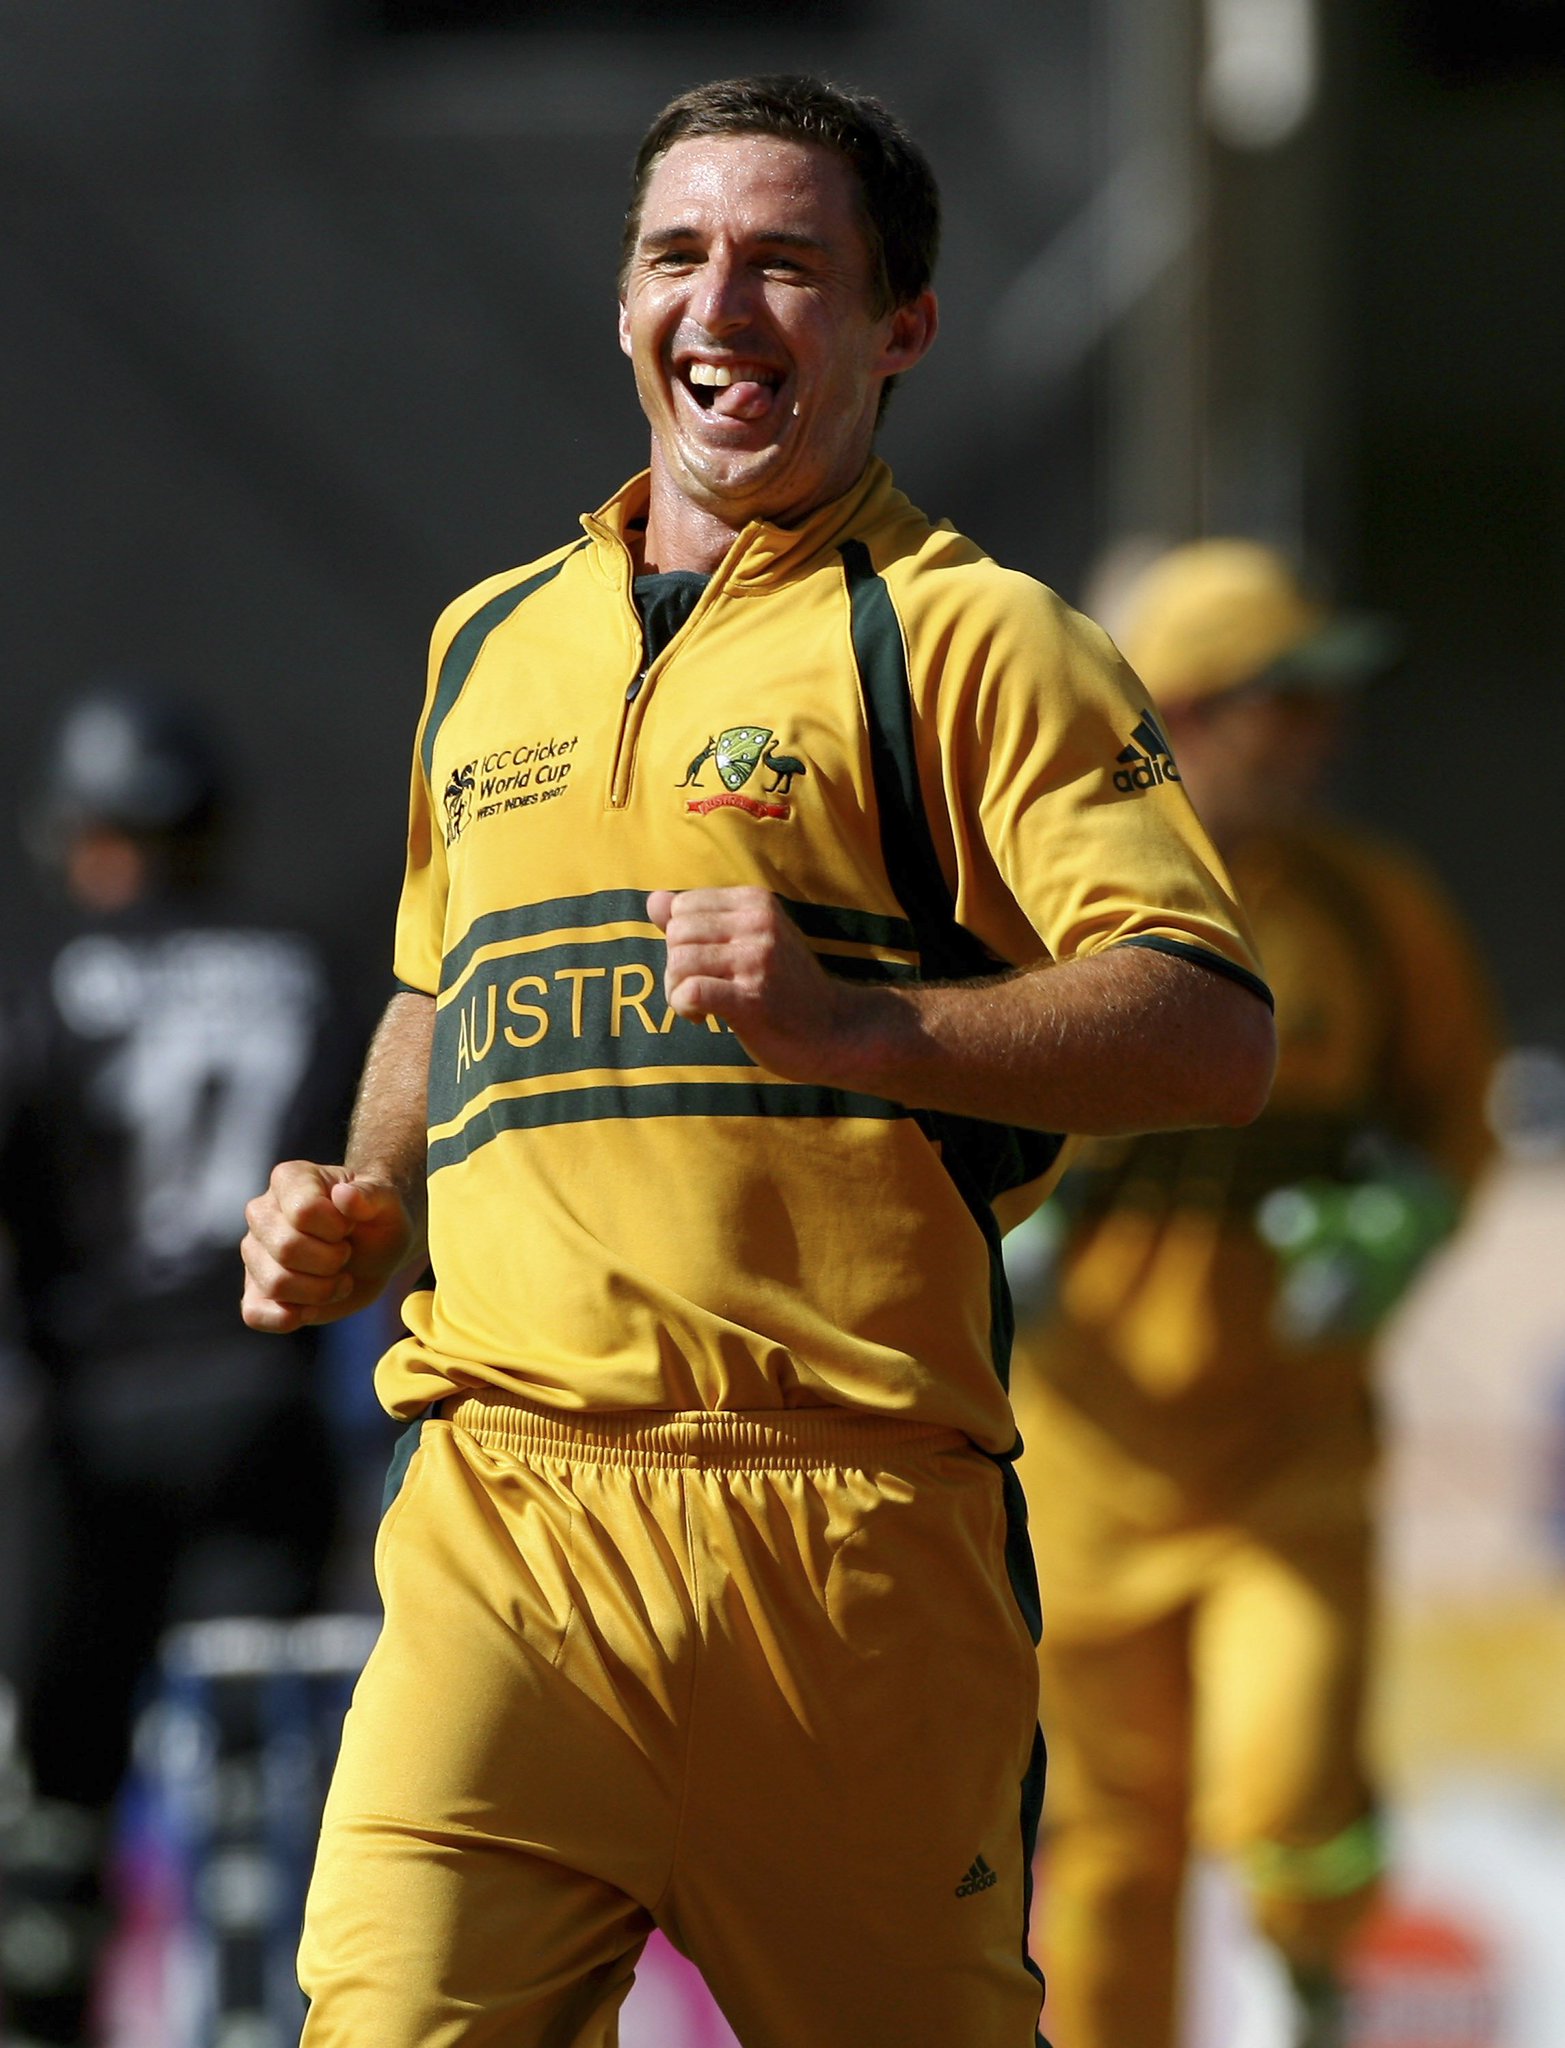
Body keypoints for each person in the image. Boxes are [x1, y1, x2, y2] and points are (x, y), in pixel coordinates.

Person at [239, 77, 1276, 2048]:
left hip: (853, 1544)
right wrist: (371, 1198)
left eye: (791, 263)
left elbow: (1211, 1028)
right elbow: (438, 986)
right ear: (623, 303)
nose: (725, 304)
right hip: (505, 1513)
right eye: (678, 255)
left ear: (904, 326)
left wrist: (855, 1023)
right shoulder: (486, 646)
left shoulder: (981, 641)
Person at [1008, 539, 1500, 2048]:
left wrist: (1398, 1223)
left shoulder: (1366, 909)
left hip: (1288, 1458)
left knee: (1291, 1795)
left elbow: (1453, 1114)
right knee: (1106, 1850)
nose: (1316, 738)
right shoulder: (1051, 902)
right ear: (1177, 717)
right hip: (1082, 1473)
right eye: (1278, 703)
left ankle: (1309, 1992)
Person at [0, 679, 352, 2047]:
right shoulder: (312, 969)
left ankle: (40, 2013)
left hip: (92, 1420)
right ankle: (273, 2022)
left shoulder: (47, 981)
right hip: (265, 1396)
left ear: (94, 836)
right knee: (261, 1759)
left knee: (64, 1775)